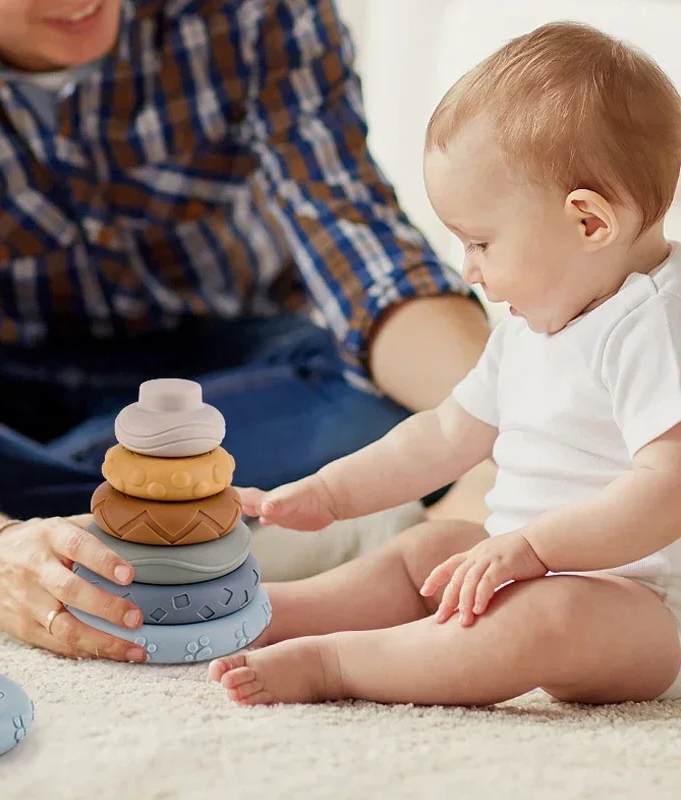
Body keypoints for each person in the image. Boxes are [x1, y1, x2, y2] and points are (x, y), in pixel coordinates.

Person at [0, 0, 489, 663]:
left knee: (392, 408)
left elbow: (369, 264)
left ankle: (70, 517)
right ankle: (197, 523)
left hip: (230, 366)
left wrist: (501, 424)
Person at [209, 21, 681, 707]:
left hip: (643, 605)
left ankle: (339, 665)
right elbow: (442, 436)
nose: (470, 270)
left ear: (588, 223)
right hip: (519, 560)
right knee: (426, 554)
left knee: (543, 620)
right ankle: (276, 610)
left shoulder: (654, 325)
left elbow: (666, 490)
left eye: (482, 242)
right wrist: (331, 495)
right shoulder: (533, 321)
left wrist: (534, 551)